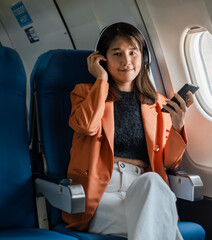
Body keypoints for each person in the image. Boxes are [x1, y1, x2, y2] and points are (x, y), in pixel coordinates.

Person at [62, 22, 194, 240]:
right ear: (102, 59)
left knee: (153, 184)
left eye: (133, 52)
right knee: (158, 221)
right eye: (117, 53)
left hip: (144, 189)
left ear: (143, 57)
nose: (126, 61)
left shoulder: (159, 104)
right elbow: (87, 125)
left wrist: (178, 126)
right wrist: (101, 80)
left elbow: (170, 164)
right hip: (102, 195)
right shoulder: (84, 93)